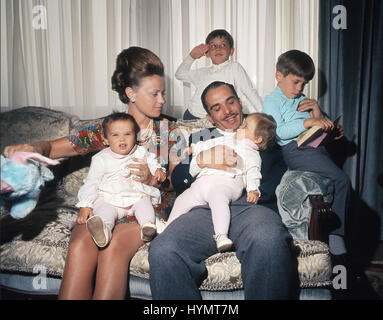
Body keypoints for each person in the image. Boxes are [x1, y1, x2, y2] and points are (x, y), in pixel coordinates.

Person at [3, 46, 186, 299]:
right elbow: (53, 148)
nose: (162, 100)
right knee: (79, 245)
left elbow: (178, 187)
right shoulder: (107, 129)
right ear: (131, 93)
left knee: (112, 250)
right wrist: (30, 148)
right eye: (154, 94)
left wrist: (153, 179)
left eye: (163, 93)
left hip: (144, 208)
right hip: (103, 206)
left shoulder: (169, 132)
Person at [149, 81, 297, 299]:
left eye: (230, 102)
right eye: (217, 108)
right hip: (203, 209)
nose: (227, 111)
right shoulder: (200, 137)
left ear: (239, 102)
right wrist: (201, 160)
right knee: (163, 249)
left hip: (250, 208)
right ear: (209, 117)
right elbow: (178, 179)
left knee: (268, 238)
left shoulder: (261, 129)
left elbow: (278, 172)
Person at [262, 49, 351, 261]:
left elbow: (315, 129)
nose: (300, 88)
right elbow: (279, 132)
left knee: (338, 176)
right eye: (295, 82)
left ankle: (335, 235)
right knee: (342, 180)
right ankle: (337, 236)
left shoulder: (301, 99)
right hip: (296, 150)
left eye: (304, 83)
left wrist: (320, 117)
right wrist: (309, 121)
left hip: (315, 147)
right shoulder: (272, 101)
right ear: (278, 76)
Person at [166, 112, 277, 252]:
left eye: (246, 126)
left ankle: (221, 235)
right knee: (182, 199)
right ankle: (168, 226)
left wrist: (253, 189)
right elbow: (209, 144)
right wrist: (194, 149)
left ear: (257, 139)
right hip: (202, 182)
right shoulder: (227, 139)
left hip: (226, 184)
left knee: (219, 201)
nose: (240, 127)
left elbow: (253, 173)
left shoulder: (251, 154)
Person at [76, 112, 167, 247]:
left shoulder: (140, 151)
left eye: (127, 134)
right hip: (110, 197)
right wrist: (85, 204)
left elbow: (152, 161)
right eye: (115, 135)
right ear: (106, 139)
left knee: (145, 203)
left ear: (135, 136)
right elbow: (91, 182)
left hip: (136, 195)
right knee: (104, 210)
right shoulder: (101, 159)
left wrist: (158, 170)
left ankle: (147, 227)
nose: (122, 139)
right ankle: (103, 231)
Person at [175, 29, 262, 120]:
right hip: (191, 115)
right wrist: (192, 56)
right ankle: (162, 132)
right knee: (165, 130)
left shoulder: (234, 67)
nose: (218, 48)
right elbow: (179, 74)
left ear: (231, 51)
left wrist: (266, 116)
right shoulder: (202, 72)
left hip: (213, 121)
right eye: (213, 46)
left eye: (223, 45)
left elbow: (250, 92)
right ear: (207, 53)